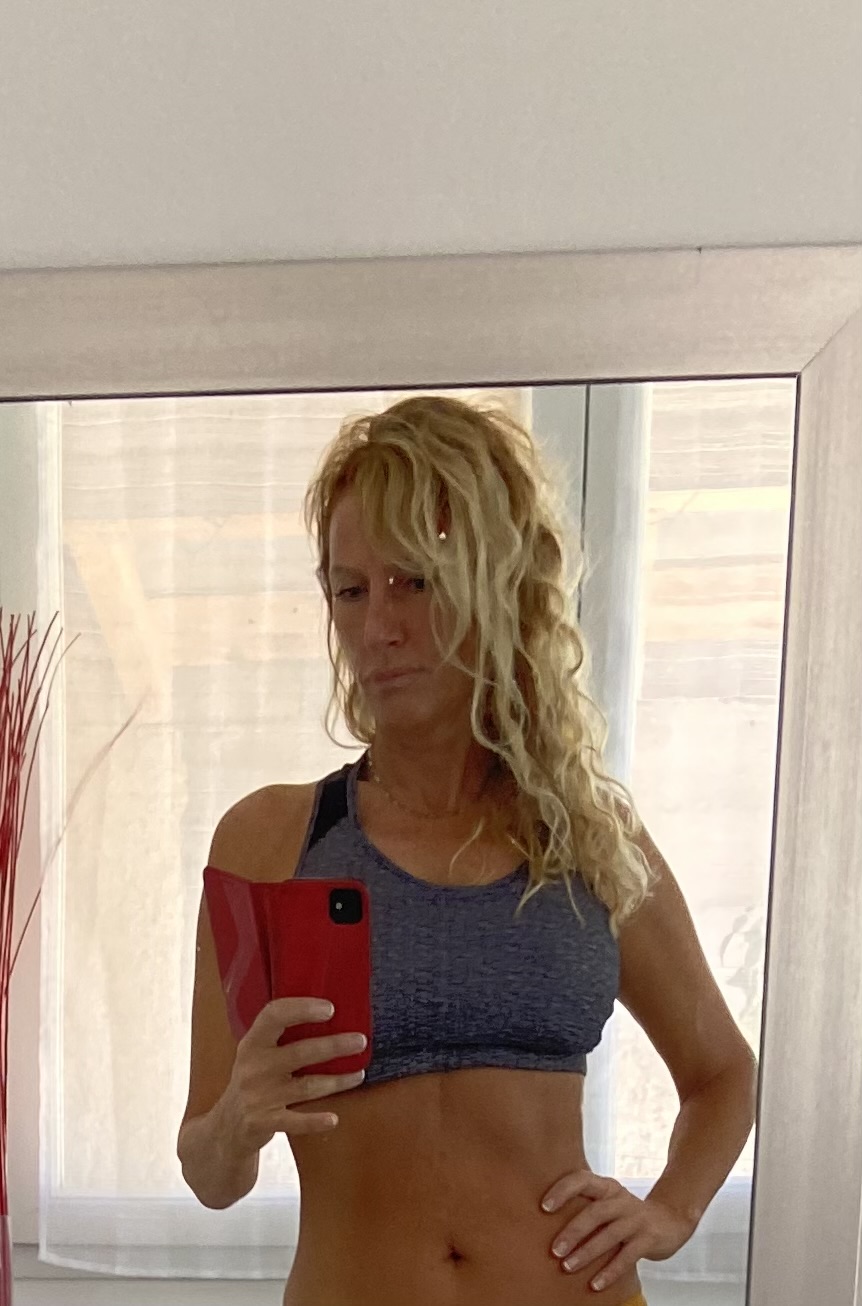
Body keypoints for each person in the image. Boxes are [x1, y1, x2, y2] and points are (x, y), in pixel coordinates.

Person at [177, 394, 759, 1306]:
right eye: (351, 590)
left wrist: (671, 1211)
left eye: (415, 581)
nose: (379, 627)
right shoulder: (272, 839)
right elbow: (210, 1174)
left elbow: (723, 1075)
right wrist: (239, 1120)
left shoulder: (588, 837)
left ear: (497, 585)